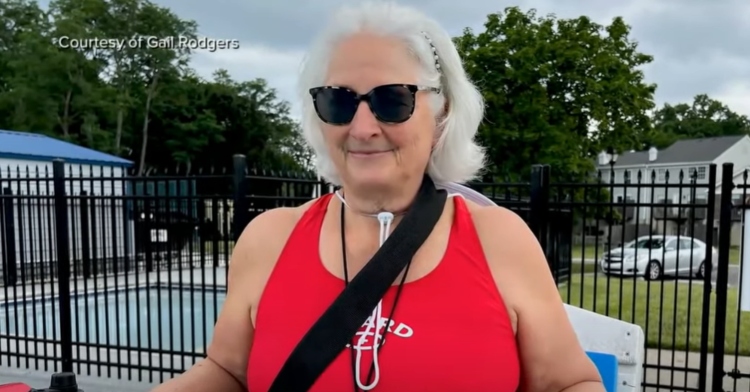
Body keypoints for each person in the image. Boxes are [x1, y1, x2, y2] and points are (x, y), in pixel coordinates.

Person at [151, 2, 604, 391]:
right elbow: (227, 372)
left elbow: (568, 381)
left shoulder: (499, 240)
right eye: (339, 101)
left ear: (441, 112)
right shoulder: (268, 240)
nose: (363, 128)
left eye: (392, 100)